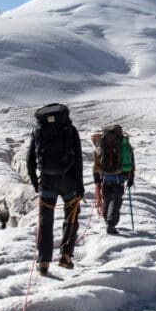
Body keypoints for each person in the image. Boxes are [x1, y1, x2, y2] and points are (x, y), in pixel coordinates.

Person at [26, 103, 84, 275]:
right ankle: (66, 256)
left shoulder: (38, 130)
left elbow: (30, 159)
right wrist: (79, 186)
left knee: (45, 221)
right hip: (68, 182)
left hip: (46, 182)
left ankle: (43, 262)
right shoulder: (70, 130)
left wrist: (36, 183)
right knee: (71, 216)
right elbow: (79, 160)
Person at [92, 124, 135, 235]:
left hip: (105, 178)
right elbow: (131, 162)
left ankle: (108, 221)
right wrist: (130, 179)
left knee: (107, 200)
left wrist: (96, 177)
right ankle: (111, 224)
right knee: (116, 201)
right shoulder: (124, 144)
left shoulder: (101, 143)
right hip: (118, 178)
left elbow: (96, 162)